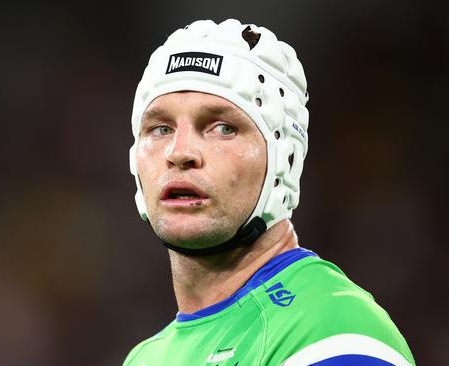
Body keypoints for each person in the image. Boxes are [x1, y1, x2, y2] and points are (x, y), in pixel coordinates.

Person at [123, 19, 415, 365]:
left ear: (283, 158)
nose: (179, 152)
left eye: (222, 128)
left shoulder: (334, 334)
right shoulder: (145, 358)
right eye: (160, 128)